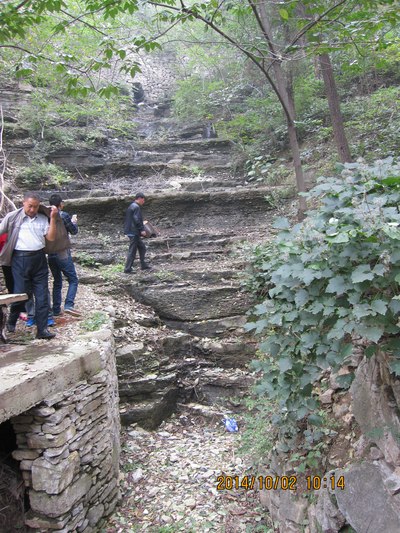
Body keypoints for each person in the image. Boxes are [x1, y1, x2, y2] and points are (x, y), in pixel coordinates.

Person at [0, 192, 58, 340]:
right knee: (21, 295)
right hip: (19, 259)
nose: (32, 209)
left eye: (35, 206)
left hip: (39, 259)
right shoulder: (12, 217)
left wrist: (52, 219)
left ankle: (42, 329)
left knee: (42, 295)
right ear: (23, 203)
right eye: (30, 206)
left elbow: (51, 238)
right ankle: (11, 321)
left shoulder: (43, 218)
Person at [47, 193, 80, 317]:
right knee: (73, 279)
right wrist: (74, 222)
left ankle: (56, 309)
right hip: (62, 253)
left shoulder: (45, 216)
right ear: (60, 204)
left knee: (57, 281)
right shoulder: (63, 215)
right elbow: (74, 231)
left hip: (50, 253)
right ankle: (69, 305)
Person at [123, 192, 151, 273]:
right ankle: (127, 269)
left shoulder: (131, 206)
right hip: (133, 232)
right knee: (132, 251)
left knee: (142, 248)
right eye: (143, 200)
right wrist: (142, 229)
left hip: (131, 231)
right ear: (140, 198)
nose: (144, 202)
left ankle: (143, 265)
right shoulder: (136, 207)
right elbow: (137, 219)